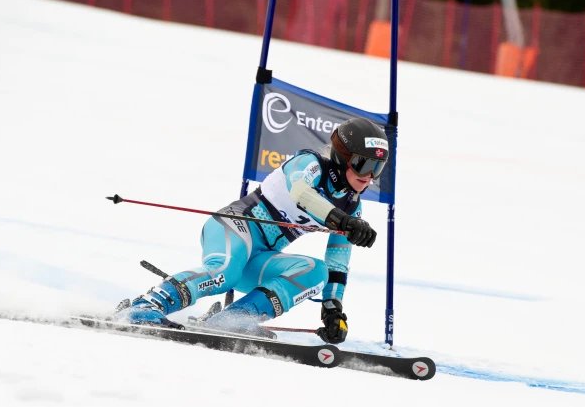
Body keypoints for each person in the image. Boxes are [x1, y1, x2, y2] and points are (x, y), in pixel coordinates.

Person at [114, 117, 389, 344]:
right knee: (224, 272)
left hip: (260, 257)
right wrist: (341, 220)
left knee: (318, 271)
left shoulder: (352, 207)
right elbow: (301, 193)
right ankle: (144, 307)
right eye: (364, 165)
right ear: (342, 158)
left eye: (378, 168)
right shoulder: (310, 164)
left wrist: (332, 309)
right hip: (234, 227)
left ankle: (232, 320)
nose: (369, 177)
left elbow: (337, 263)